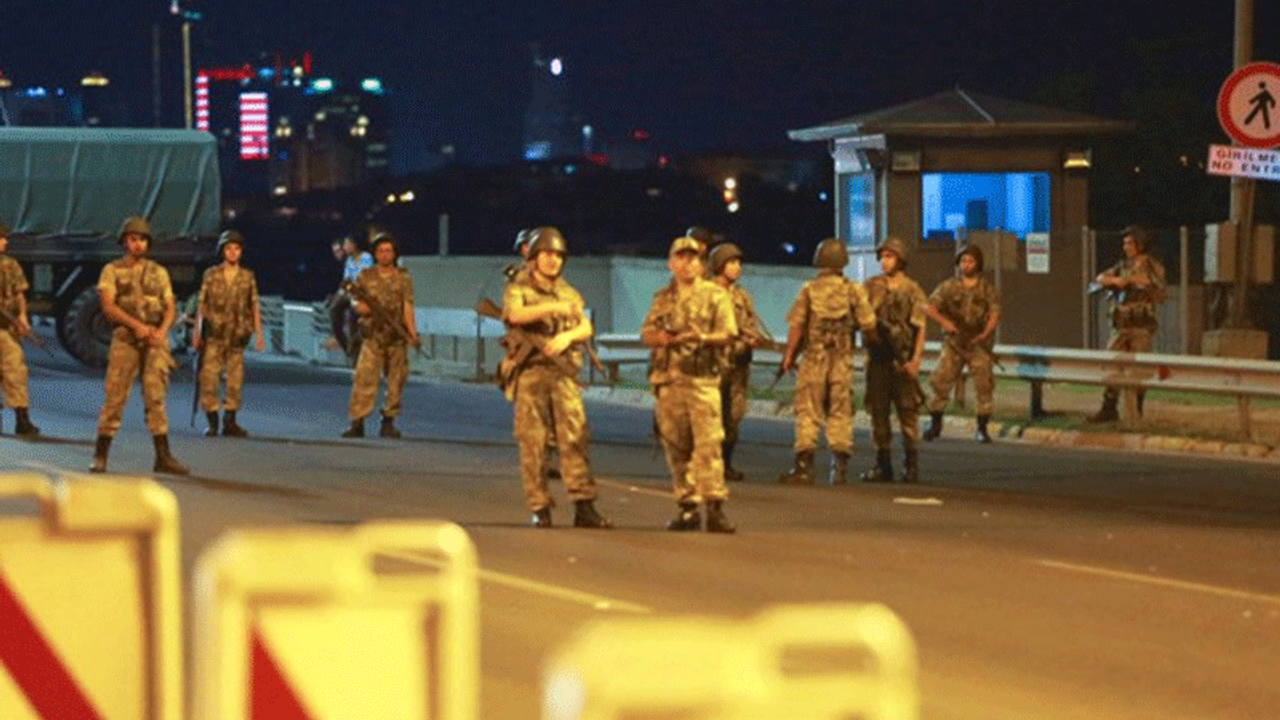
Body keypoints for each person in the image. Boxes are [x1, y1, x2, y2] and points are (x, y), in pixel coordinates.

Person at [501, 227, 611, 528]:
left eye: (558, 255)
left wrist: (567, 337)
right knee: (532, 442)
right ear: (534, 257)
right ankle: (540, 506)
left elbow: (585, 326)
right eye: (546, 254)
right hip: (531, 373)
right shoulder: (518, 287)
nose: (552, 261)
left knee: (575, 438)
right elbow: (514, 315)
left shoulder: (569, 291)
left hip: (563, 374)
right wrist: (552, 307)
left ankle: (584, 505)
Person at [641, 235, 738, 533]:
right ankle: (687, 506)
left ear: (701, 263)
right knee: (676, 447)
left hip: (702, 382)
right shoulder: (663, 298)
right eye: (681, 258)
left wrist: (702, 338)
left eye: (693, 258)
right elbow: (646, 331)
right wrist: (661, 338)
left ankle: (714, 507)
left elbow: (728, 333)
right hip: (669, 382)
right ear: (671, 264)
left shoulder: (715, 295)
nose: (687, 263)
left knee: (708, 446)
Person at [90, 216, 188, 474]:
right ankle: (100, 455)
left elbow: (170, 307)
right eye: (133, 239)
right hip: (126, 341)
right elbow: (108, 307)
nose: (138, 244)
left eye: (142, 239)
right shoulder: (112, 271)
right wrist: (137, 327)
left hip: (155, 341)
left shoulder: (159, 272)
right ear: (124, 242)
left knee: (156, 397)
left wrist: (161, 332)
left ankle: (163, 456)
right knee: (115, 396)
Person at [776, 238, 875, 485]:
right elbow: (869, 325)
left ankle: (804, 467)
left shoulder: (809, 289)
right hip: (842, 360)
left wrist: (789, 357)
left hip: (814, 359)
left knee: (808, 410)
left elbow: (797, 326)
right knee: (840, 410)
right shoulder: (854, 290)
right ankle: (839, 466)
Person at [860, 237, 927, 484]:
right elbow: (861, 317)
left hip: (902, 360)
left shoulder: (912, 290)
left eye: (890, 256)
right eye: (883, 256)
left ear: (900, 260)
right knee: (878, 412)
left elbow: (920, 328)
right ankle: (882, 462)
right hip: (878, 360)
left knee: (908, 413)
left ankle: (911, 464)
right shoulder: (870, 287)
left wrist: (915, 360)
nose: (884, 261)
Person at [342, 233, 418, 439]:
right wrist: (364, 308)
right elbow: (355, 302)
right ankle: (357, 422)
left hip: (395, 337)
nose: (385, 254)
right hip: (372, 336)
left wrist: (412, 333)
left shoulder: (403, 277)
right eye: (381, 251)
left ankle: (388, 421)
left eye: (389, 251)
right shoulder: (365, 276)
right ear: (375, 254)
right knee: (364, 379)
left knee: (396, 381)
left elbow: (407, 306)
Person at [922, 244, 1001, 443]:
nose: (966, 265)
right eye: (963, 261)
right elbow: (929, 306)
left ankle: (982, 428)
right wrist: (944, 323)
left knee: (984, 386)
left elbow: (994, 313)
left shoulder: (986, 289)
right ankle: (935, 425)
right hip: (954, 344)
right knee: (940, 383)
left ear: (978, 264)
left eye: (971, 261)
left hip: (978, 344)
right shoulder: (949, 286)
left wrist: (986, 333)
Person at [1087, 225, 1166, 422]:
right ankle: (1109, 408)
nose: (1126, 247)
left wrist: (1128, 281)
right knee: (1112, 364)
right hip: (1121, 325)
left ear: (1140, 244)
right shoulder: (1122, 266)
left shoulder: (1150, 265)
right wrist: (1116, 280)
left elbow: (1153, 282)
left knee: (1139, 370)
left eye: (1130, 243)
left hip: (1140, 326)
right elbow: (1100, 278)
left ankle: (1137, 411)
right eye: (1124, 243)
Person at [193, 230, 264, 437]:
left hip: (237, 335)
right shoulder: (211, 275)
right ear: (222, 251)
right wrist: (197, 332)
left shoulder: (247, 277)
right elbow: (202, 305)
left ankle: (230, 421)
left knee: (234, 381)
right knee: (209, 378)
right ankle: (213, 420)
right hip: (214, 334)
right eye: (228, 248)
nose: (233, 252)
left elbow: (254, 305)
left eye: (236, 249)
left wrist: (259, 333)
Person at [708, 242, 762, 482]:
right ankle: (709, 465)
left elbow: (751, 325)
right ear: (719, 266)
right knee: (710, 416)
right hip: (713, 365)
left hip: (738, 365)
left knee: (734, 415)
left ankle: (727, 463)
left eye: (738, 263)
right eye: (731, 263)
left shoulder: (742, 296)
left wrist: (752, 339)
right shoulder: (707, 294)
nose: (737, 267)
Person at [0, 222, 39, 436]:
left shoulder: (10, 265)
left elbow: (19, 293)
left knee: (15, 371)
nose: (5, 242)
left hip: (7, 328)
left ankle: (22, 420)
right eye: (1, 238)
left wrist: (22, 317)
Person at [326, 235, 373, 364]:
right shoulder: (349, 261)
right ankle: (346, 345)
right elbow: (346, 280)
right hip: (350, 292)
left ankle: (356, 354)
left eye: (346, 245)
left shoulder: (366, 258)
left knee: (353, 320)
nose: (345, 248)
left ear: (353, 245)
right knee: (334, 308)